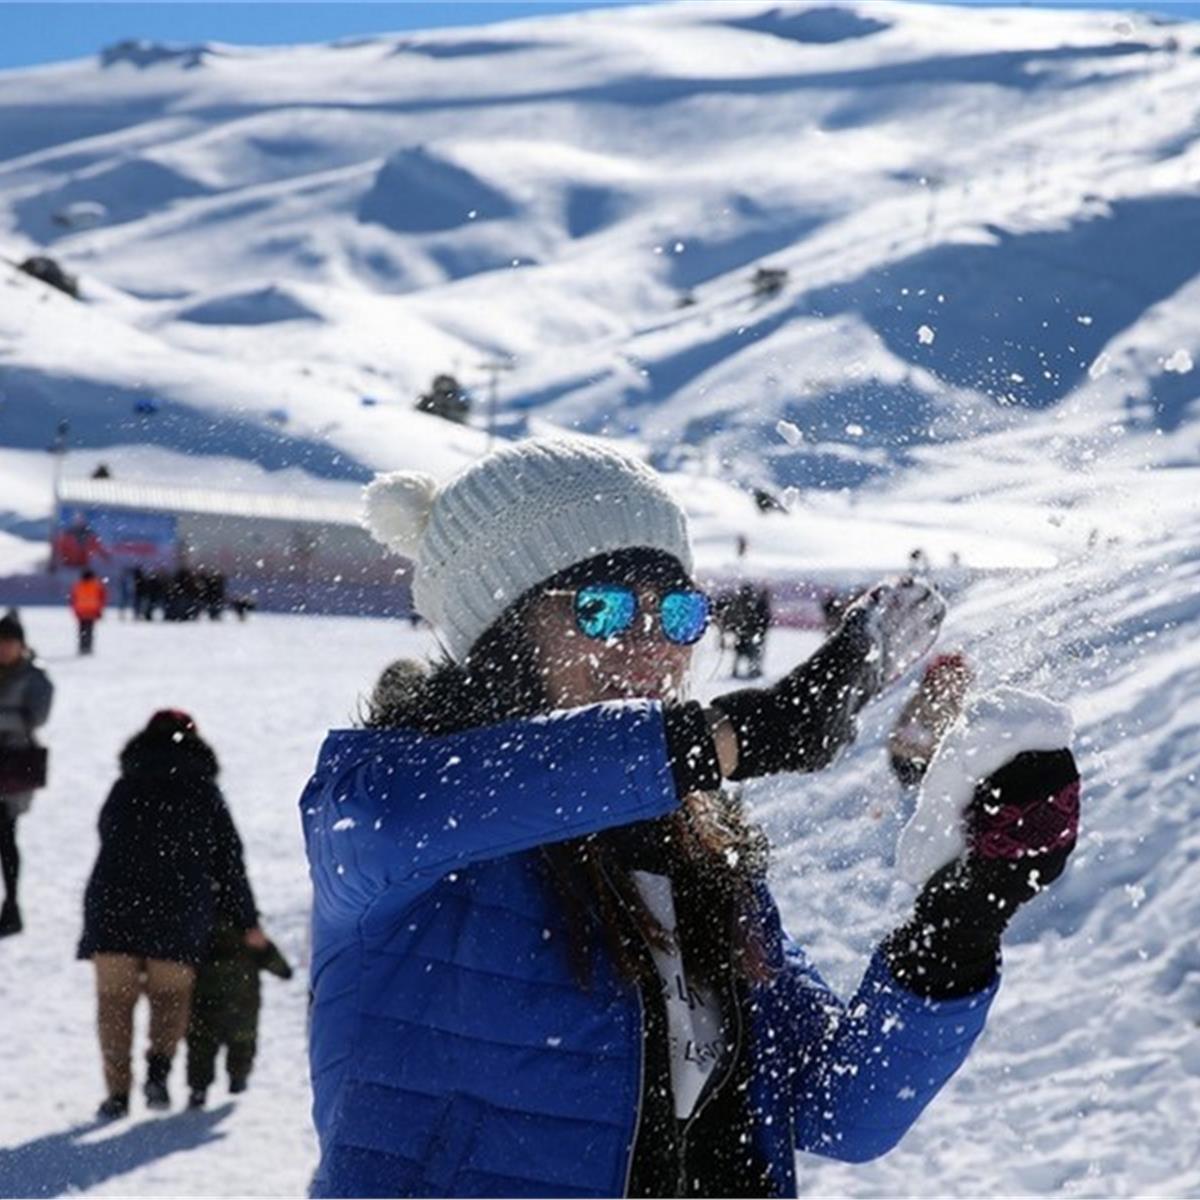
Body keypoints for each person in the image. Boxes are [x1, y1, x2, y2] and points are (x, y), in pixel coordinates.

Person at [300, 437, 1081, 1198]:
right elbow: (414, 812)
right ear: (501, 634)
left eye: (675, 612)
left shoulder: (695, 852)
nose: (647, 645)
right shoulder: (383, 800)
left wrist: (966, 917)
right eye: (602, 608)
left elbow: (840, 1110)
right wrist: (733, 735)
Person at [78, 710, 263, 1119]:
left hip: (113, 908)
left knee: (114, 1003)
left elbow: (106, 834)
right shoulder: (204, 790)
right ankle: (158, 1071)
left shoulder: (124, 786)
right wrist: (247, 921)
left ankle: (117, 1094)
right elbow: (230, 862)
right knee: (170, 997)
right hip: (178, 911)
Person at [186, 911, 292, 1109]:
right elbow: (283, 971)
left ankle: (201, 1090)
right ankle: (236, 1083)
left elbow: (284, 971)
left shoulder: (198, 933)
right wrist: (264, 946)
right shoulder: (248, 935)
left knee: (202, 1048)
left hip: (207, 1006)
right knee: (238, 1046)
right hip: (239, 1007)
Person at [0, 611, 54, 937]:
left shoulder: (34, 677)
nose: (4, 649)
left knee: (5, 836)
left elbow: (36, 718)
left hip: (12, 765)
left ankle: (12, 904)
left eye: (9, 643)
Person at [888, 651, 974, 788]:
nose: (951, 684)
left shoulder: (959, 704)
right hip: (911, 760)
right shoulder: (922, 702)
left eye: (957, 679)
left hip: (936, 761)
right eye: (944, 678)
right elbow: (907, 734)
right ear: (933, 680)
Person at [69, 568, 108, 655]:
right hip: (92, 611)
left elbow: (72, 599)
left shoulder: (77, 585)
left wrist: (74, 610)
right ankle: (88, 647)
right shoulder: (97, 585)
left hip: (81, 611)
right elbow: (102, 598)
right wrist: (100, 609)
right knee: (90, 630)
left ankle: (82, 647)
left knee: (82, 631)